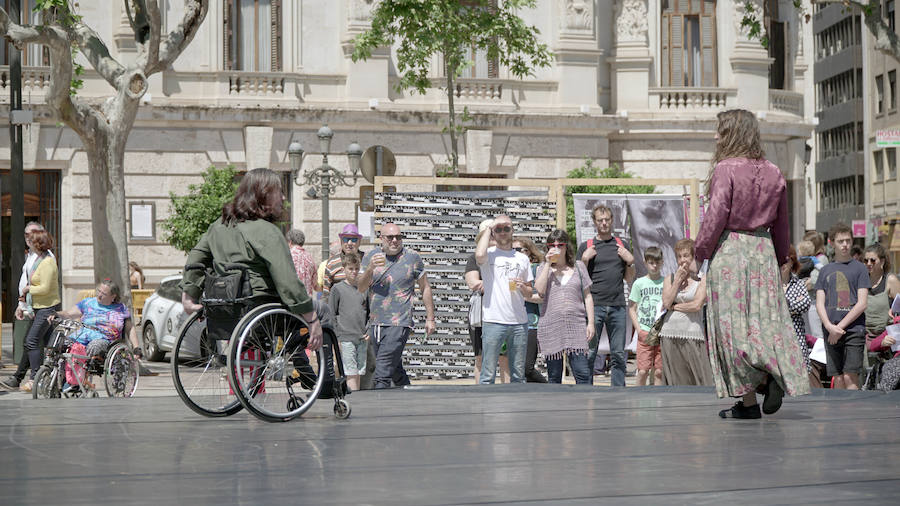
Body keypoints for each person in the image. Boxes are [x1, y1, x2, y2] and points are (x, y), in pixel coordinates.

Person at [695, 109, 810, 419]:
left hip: (731, 251)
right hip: (762, 253)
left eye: (720, 131)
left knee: (731, 330)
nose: (715, 137)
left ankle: (757, 388)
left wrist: (699, 253)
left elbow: (716, 215)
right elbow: (783, 224)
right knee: (763, 325)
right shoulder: (775, 171)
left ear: (732, 134)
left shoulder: (725, 168)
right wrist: (780, 259)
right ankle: (756, 394)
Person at [181, 168, 322, 350]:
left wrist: (188, 296)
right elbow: (288, 281)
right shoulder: (267, 231)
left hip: (227, 306)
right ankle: (320, 377)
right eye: (279, 192)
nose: (284, 198)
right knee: (323, 312)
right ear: (264, 195)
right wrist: (312, 318)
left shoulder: (218, 226)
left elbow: (196, 257)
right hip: (263, 308)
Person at [358, 223, 435, 389]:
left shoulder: (412, 257)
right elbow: (361, 287)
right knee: (394, 370)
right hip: (376, 323)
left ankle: (379, 409)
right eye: (390, 237)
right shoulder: (370, 257)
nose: (395, 240)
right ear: (381, 239)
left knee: (382, 372)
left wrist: (430, 318)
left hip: (399, 323)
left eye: (399, 237)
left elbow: (425, 287)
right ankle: (409, 397)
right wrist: (370, 269)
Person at [576, 204, 635, 387]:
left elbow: (628, 278)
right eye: (600, 220)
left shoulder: (621, 245)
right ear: (594, 222)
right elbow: (578, 280)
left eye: (607, 220)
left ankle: (618, 392)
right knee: (590, 353)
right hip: (594, 306)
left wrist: (630, 262)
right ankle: (585, 391)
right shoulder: (586, 246)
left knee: (618, 353)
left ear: (612, 221)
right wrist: (585, 259)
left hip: (617, 305)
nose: (604, 223)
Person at [51, 279, 143, 394]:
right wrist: (56, 314)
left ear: (113, 296)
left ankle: (78, 379)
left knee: (94, 346)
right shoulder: (88, 303)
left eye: (104, 294)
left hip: (105, 339)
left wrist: (136, 347)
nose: (99, 295)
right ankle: (57, 378)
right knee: (62, 343)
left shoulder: (121, 309)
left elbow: (130, 328)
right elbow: (69, 313)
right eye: (98, 291)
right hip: (82, 334)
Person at [475, 214, 533, 384]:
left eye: (506, 228)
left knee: (518, 375)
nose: (502, 231)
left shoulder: (522, 258)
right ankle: (486, 409)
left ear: (512, 231)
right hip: (493, 320)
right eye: (498, 229)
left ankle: (517, 408)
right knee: (487, 374)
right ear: (493, 232)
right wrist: (488, 228)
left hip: (519, 321)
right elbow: (479, 254)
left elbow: (529, 292)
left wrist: (523, 287)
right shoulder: (489, 254)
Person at [3, 228, 61, 392]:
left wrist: (29, 289)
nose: (27, 241)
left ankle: (35, 378)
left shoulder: (48, 261)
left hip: (46, 308)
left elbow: (46, 287)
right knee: (46, 344)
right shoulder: (37, 259)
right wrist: (23, 302)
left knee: (31, 341)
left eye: (31, 239)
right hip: (36, 307)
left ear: (38, 244)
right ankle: (50, 377)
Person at [534, 230, 594, 384]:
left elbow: (587, 296)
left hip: (576, 325)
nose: (556, 248)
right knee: (554, 375)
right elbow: (539, 291)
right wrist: (548, 263)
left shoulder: (579, 267)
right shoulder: (543, 268)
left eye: (560, 244)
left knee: (582, 372)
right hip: (551, 326)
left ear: (566, 246)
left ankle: (585, 406)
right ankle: (555, 407)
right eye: (551, 245)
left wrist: (591, 323)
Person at [815, 222, 870, 390]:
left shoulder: (860, 268)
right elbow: (819, 302)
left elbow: (862, 303)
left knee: (850, 375)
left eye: (848, 240)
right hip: (830, 329)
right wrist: (829, 326)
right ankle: (839, 413)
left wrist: (838, 328)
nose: (845, 244)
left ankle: (854, 413)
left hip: (854, 330)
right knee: (837, 377)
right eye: (840, 241)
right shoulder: (825, 270)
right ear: (832, 243)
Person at [659, 239, 713, 387]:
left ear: (693, 257)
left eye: (686, 256)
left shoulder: (702, 279)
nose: (682, 260)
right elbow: (666, 303)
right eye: (679, 256)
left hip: (692, 333)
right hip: (669, 333)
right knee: (675, 380)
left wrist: (675, 307)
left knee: (698, 377)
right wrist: (677, 281)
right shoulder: (669, 279)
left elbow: (696, 305)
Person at [466, 221, 510, 383]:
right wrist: (499, 283)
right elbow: (473, 283)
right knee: (481, 359)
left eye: (494, 236)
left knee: (504, 359)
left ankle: (508, 399)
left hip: (504, 313)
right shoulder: (474, 259)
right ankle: (481, 396)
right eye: (488, 236)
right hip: (481, 316)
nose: (492, 240)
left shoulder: (508, 257)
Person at [329, 253, 369, 391]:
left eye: (356, 269)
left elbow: (369, 313)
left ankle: (353, 397)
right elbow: (332, 314)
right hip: (346, 337)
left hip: (362, 337)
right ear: (344, 268)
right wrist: (337, 337)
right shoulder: (337, 289)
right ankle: (354, 401)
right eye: (350, 268)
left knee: (358, 372)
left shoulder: (364, 289)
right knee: (350, 372)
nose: (354, 272)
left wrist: (368, 330)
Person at [628, 246, 665, 386]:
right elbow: (632, 308)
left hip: (661, 332)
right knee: (643, 370)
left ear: (662, 262)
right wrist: (638, 330)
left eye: (657, 262)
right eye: (651, 262)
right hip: (645, 331)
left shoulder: (666, 282)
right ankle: (638, 397)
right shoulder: (639, 283)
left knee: (659, 371)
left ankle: (658, 401)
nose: (654, 266)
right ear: (645, 263)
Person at [513, 236, 548, 383]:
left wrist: (524, 295)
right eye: (511, 249)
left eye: (518, 250)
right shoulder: (512, 269)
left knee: (527, 368)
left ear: (528, 252)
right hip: (513, 323)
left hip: (532, 323)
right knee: (518, 369)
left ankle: (549, 387)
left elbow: (542, 296)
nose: (514, 253)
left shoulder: (536, 268)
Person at [782, 245, 813, 382]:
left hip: (796, 334)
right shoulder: (769, 284)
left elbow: (805, 304)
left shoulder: (798, 283)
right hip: (777, 335)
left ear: (793, 262)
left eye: (787, 260)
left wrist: (784, 304)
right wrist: (794, 304)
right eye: (780, 260)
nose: (783, 264)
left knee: (799, 373)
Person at [863, 243, 893, 343]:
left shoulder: (890, 281)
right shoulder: (861, 281)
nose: (868, 263)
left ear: (882, 261)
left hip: (886, 338)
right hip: (865, 338)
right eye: (866, 260)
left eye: (873, 260)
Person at [324, 224, 364, 294]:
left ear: (359, 242)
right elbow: (326, 291)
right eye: (346, 239)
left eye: (353, 239)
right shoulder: (332, 262)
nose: (349, 243)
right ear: (341, 241)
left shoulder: (366, 259)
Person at [287, 229, 318, 298]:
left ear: (290, 242)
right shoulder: (310, 258)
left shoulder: (287, 256)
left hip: (291, 300)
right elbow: (315, 285)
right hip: (307, 302)